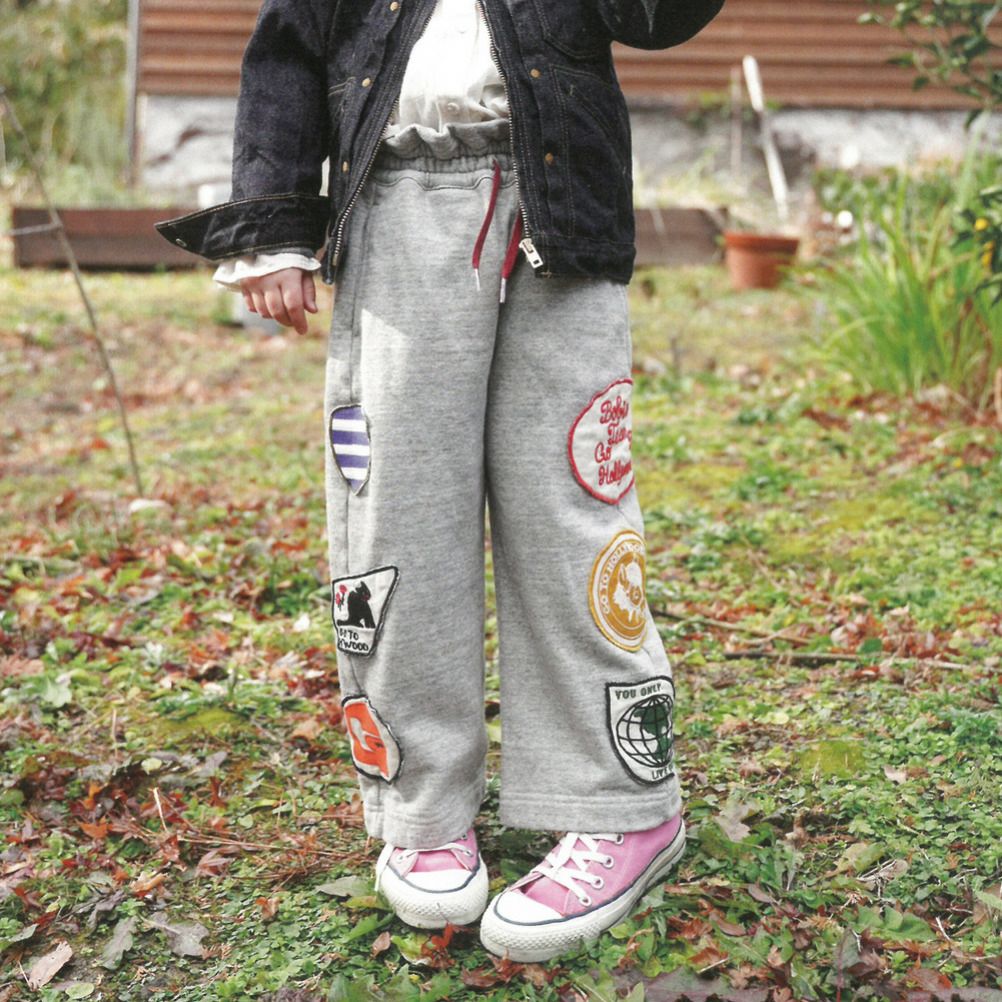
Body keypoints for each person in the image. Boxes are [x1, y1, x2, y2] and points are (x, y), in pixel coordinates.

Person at [156, 0, 724, 963]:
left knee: (573, 510)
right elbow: (290, 48)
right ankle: (423, 806)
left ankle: (623, 806)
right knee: (399, 513)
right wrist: (275, 217)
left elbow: (654, 18)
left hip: (561, 206)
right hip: (396, 206)